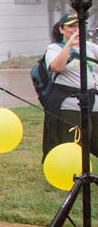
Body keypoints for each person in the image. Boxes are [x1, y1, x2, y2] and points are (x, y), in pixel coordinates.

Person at [42, 11, 98, 156]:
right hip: (70, 107)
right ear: (61, 29)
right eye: (72, 26)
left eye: (80, 26)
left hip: (93, 104)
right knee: (73, 149)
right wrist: (69, 45)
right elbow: (56, 67)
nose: (76, 29)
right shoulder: (55, 48)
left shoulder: (89, 47)